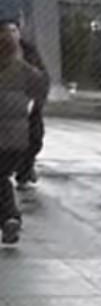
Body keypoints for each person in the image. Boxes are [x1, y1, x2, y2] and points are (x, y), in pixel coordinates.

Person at [0, 25, 48, 246]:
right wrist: (30, 107)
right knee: (1, 177)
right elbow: (42, 86)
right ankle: (9, 218)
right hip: (16, 138)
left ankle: (9, 217)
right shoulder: (24, 70)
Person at [7, 25, 49, 190]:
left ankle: (25, 169)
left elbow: (42, 78)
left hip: (26, 102)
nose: (11, 35)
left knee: (35, 138)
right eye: (6, 31)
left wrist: (37, 101)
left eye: (14, 30)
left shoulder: (29, 51)